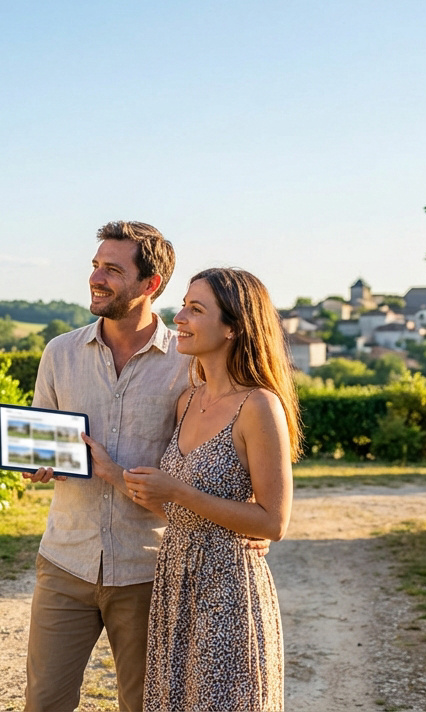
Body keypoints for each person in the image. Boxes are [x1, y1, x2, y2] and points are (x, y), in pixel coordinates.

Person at [109, 268, 298, 711]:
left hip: (229, 590)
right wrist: (107, 470)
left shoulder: (259, 405)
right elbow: (174, 505)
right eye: (183, 305)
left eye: (196, 309)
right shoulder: (187, 400)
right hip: (174, 585)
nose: (180, 317)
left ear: (233, 327)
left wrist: (179, 492)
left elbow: (274, 522)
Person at [23, 220, 187, 712]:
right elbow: (40, 442)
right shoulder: (60, 353)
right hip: (65, 560)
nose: (96, 278)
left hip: (148, 569)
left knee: (145, 705)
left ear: (150, 284)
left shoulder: (188, 362)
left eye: (112, 270)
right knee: (44, 702)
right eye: (96, 266)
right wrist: (35, 464)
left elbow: (200, 464)